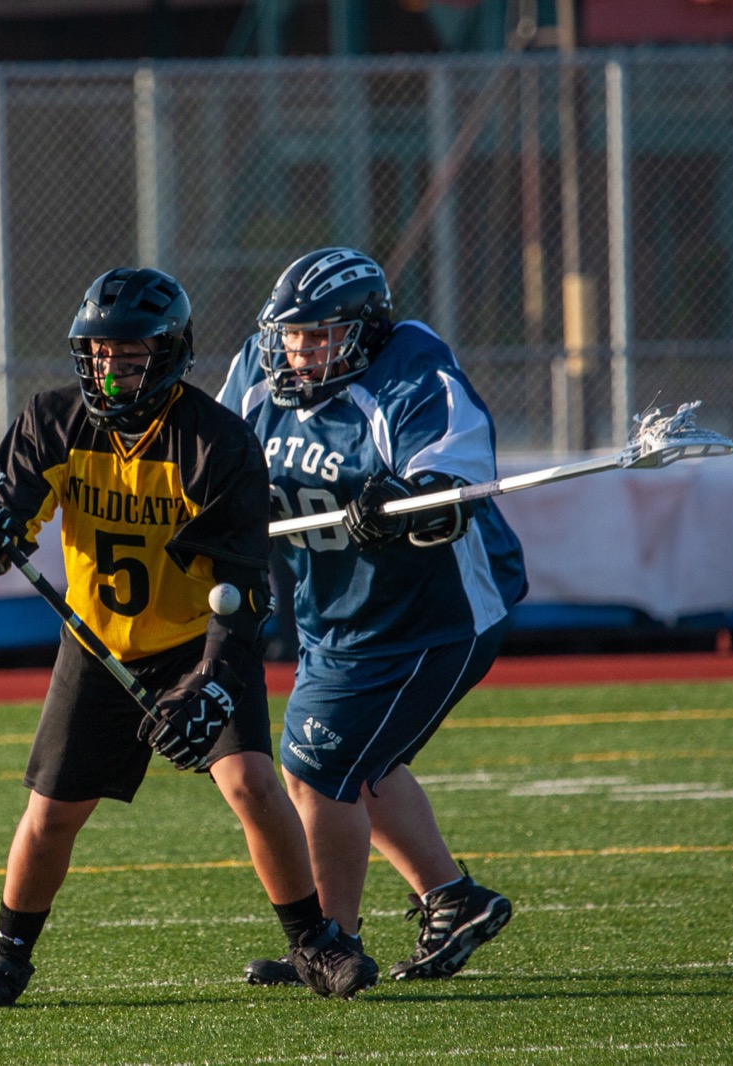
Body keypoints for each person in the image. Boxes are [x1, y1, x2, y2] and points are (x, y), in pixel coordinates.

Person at [0, 266, 378, 1009]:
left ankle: (314, 942)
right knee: (51, 814)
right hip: (97, 644)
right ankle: (8, 956)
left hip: (195, 639)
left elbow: (241, 592)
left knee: (250, 783)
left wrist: (210, 680)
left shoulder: (217, 443)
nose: (112, 369)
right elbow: (8, 512)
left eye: (131, 353)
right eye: (100, 353)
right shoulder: (53, 420)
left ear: (170, 354)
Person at [216, 247, 527, 983]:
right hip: (333, 612)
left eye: (319, 335)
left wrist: (404, 499)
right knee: (359, 761)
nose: (299, 352)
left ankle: (331, 942)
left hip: (433, 613)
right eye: (291, 336)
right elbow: (221, 459)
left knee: (319, 769)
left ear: (364, 330)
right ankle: (453, 898)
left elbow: (453, 480)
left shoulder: (410, 366)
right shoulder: (259, 379)